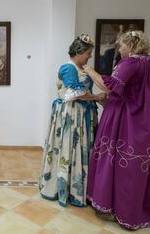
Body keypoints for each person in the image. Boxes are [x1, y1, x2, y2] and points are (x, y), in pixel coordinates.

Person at [84, 30, 150, 230]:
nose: (119, 49)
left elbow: (109, 87)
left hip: (125, 121)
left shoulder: (132, 63)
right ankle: (130, 206)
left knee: (121, 164)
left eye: (121, 45)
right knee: (134, 166)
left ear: (131, 46)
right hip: (143, 120)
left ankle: (116, 208)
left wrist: (89, 70)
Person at [39, 34, 106, 207]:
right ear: (79, 51)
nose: (90, 56)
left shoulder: (81, 68)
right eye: (88, 53)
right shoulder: (68, 68)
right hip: (72, 114)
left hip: (83, 115)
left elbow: (84, 93)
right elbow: (74, 94)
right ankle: (66, 189)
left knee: (81, 149)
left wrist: (96, 98)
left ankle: (80, 189)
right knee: (69, 148)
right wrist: (96, 96)